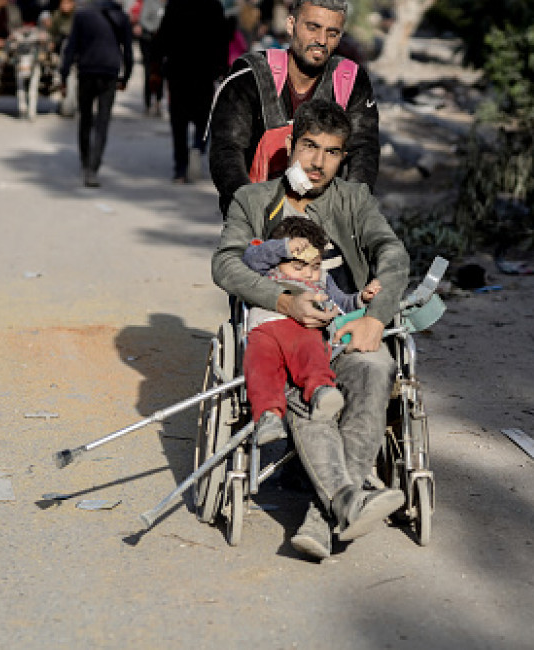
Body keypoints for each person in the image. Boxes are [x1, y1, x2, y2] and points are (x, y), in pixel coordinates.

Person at [212, 99, 409, 561]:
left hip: (344, 328)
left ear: (344, 158)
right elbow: (224, 263)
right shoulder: (253, 200)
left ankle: (328, 513)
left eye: (333, 152)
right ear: (290, 144)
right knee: (308, 382)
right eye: (310, 147)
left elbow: (393, 254)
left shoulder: (354, 200)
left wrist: (374, 316)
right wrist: (284, 301)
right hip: (285, 333)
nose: (319, 162)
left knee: (376, 368)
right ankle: (340, 504)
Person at [207, 0, 379, 215]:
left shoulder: (352, 80)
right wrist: (248, 210)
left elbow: (364, 151)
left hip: (322, 216)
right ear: (291, 25)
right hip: (253, 209)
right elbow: (227, 149)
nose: (321, 40)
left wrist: (350, 213)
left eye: (332, 33)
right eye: (312, 28)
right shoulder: (250, 75)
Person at [241, 216, 381, 446]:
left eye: (315, 266)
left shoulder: (322, 280)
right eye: (299, 266)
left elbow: (341, 303)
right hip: (264, 328)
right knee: (260, 365)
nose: (308, 273)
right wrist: (285, 248)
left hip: (303, 329)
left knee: (312, 351)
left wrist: (361, 298)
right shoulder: (266, 269)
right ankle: (268, 416)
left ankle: (321, 389)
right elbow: (251, 257)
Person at [150, 0, 228, 183]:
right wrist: (222, 69)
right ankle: (198, 147)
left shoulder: (175, 6)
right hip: (204, 71)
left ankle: (180, 169)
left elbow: (162, 38)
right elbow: (221, 39)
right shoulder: (214, 6)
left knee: (178, 121)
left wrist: (156, 67)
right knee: (204, 117)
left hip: (178, 71)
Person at [59, 0, 133, 187]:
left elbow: (71, 46)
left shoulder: (83, 15)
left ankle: (85, 161)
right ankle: (93, 167)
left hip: (86, 70)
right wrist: (126, 78)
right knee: (102, 121)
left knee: (85, 118)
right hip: (109, 72)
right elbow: (128, 51)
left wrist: (64, 75)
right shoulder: (121, 16)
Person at [129, 0, 164, 115]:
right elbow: (143, 19)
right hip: (149, 41)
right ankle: (148, 102)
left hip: (162, 43)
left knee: (161, 73)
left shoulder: (167, 4)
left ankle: (158, 101)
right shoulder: (150, 2)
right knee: (148, 72)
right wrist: (155, 29)